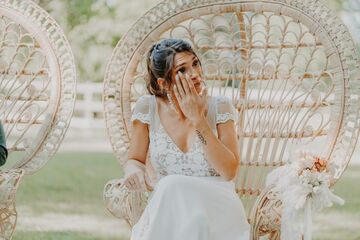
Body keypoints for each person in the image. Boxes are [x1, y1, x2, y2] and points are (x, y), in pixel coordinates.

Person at [124, 39, 250, 240]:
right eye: (182, 70)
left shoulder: (220, 107)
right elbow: (135, 160)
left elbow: (228, 172)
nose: (195, 74)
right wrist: (134, 172)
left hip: (218, 207)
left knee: (170, 185)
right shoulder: (147, 108)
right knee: (191, 218)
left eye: (195, 63)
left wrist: (198, 119)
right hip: (171, 211)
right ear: (163, 83)